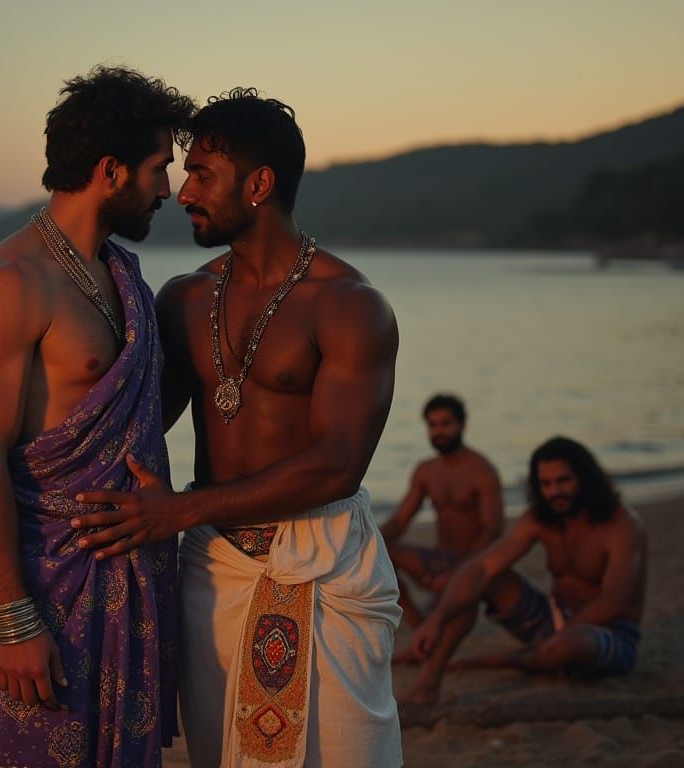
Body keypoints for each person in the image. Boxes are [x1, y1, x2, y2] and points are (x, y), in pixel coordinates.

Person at [74, 89, 402, 767]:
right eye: (184, 172)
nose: (182, 190)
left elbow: (338, 463)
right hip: (216, 569)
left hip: (323, 560)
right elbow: (135, 425)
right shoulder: (185, 298)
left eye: (201, 175)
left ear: (258, 184)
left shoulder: (350, 306)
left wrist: (179, 512)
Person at [0, 66, 194, 767]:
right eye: (157, 169)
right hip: (44, 587)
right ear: (111, 171)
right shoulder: (9, 288)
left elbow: (125, 411)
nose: (167, 190)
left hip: (133, 572)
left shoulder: (124, 276)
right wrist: (13, 619)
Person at [406, 436, 647, 705]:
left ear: (585, 478)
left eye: (563, 481)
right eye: (546, 484)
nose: (554, 491)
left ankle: (509, 659)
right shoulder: (540, 518)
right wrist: (435, 621)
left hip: (607, 632)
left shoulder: (622, 525)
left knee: (566, 646)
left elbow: (614, 602)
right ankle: (426, 686)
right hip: (553, 619)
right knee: (477, 579)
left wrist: (559, 638)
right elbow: (481, 568)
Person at [379, 394, 502, 636]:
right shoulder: (426, 471)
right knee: (380, 554)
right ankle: (419, 628)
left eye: (446, 424)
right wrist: (367, 543)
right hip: (436, 559)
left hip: (471, 562)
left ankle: (438, 615)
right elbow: (399, 522)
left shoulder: (481, 471)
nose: (439, 431)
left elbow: (492, 530)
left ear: (462, 425)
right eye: (432, 425)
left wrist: (462, 570)